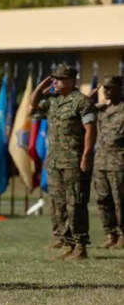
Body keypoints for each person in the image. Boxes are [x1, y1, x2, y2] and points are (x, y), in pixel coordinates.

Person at [30, 63, 96, 260]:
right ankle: (67, 243)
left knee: (76, 203)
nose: (55, 82)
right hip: (54, 161)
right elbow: (33, 105)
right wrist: (41, 87)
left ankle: (80, 245)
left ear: (70, 80)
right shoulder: (53, 101)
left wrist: (86, 156)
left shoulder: (82, 102)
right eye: (54, 79)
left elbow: (91, 130)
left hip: (74, 161)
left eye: (58, 79)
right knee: (58, 204)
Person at [92, 75, 124, 249]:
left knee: (120, 200)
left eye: (110, 87)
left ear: (120, 88)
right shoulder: (101, 110)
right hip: (100, 162)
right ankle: (110, 234)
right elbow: (82, 109)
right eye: (105, 88)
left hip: (119, 162)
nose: (106, 91)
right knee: (103, 199)